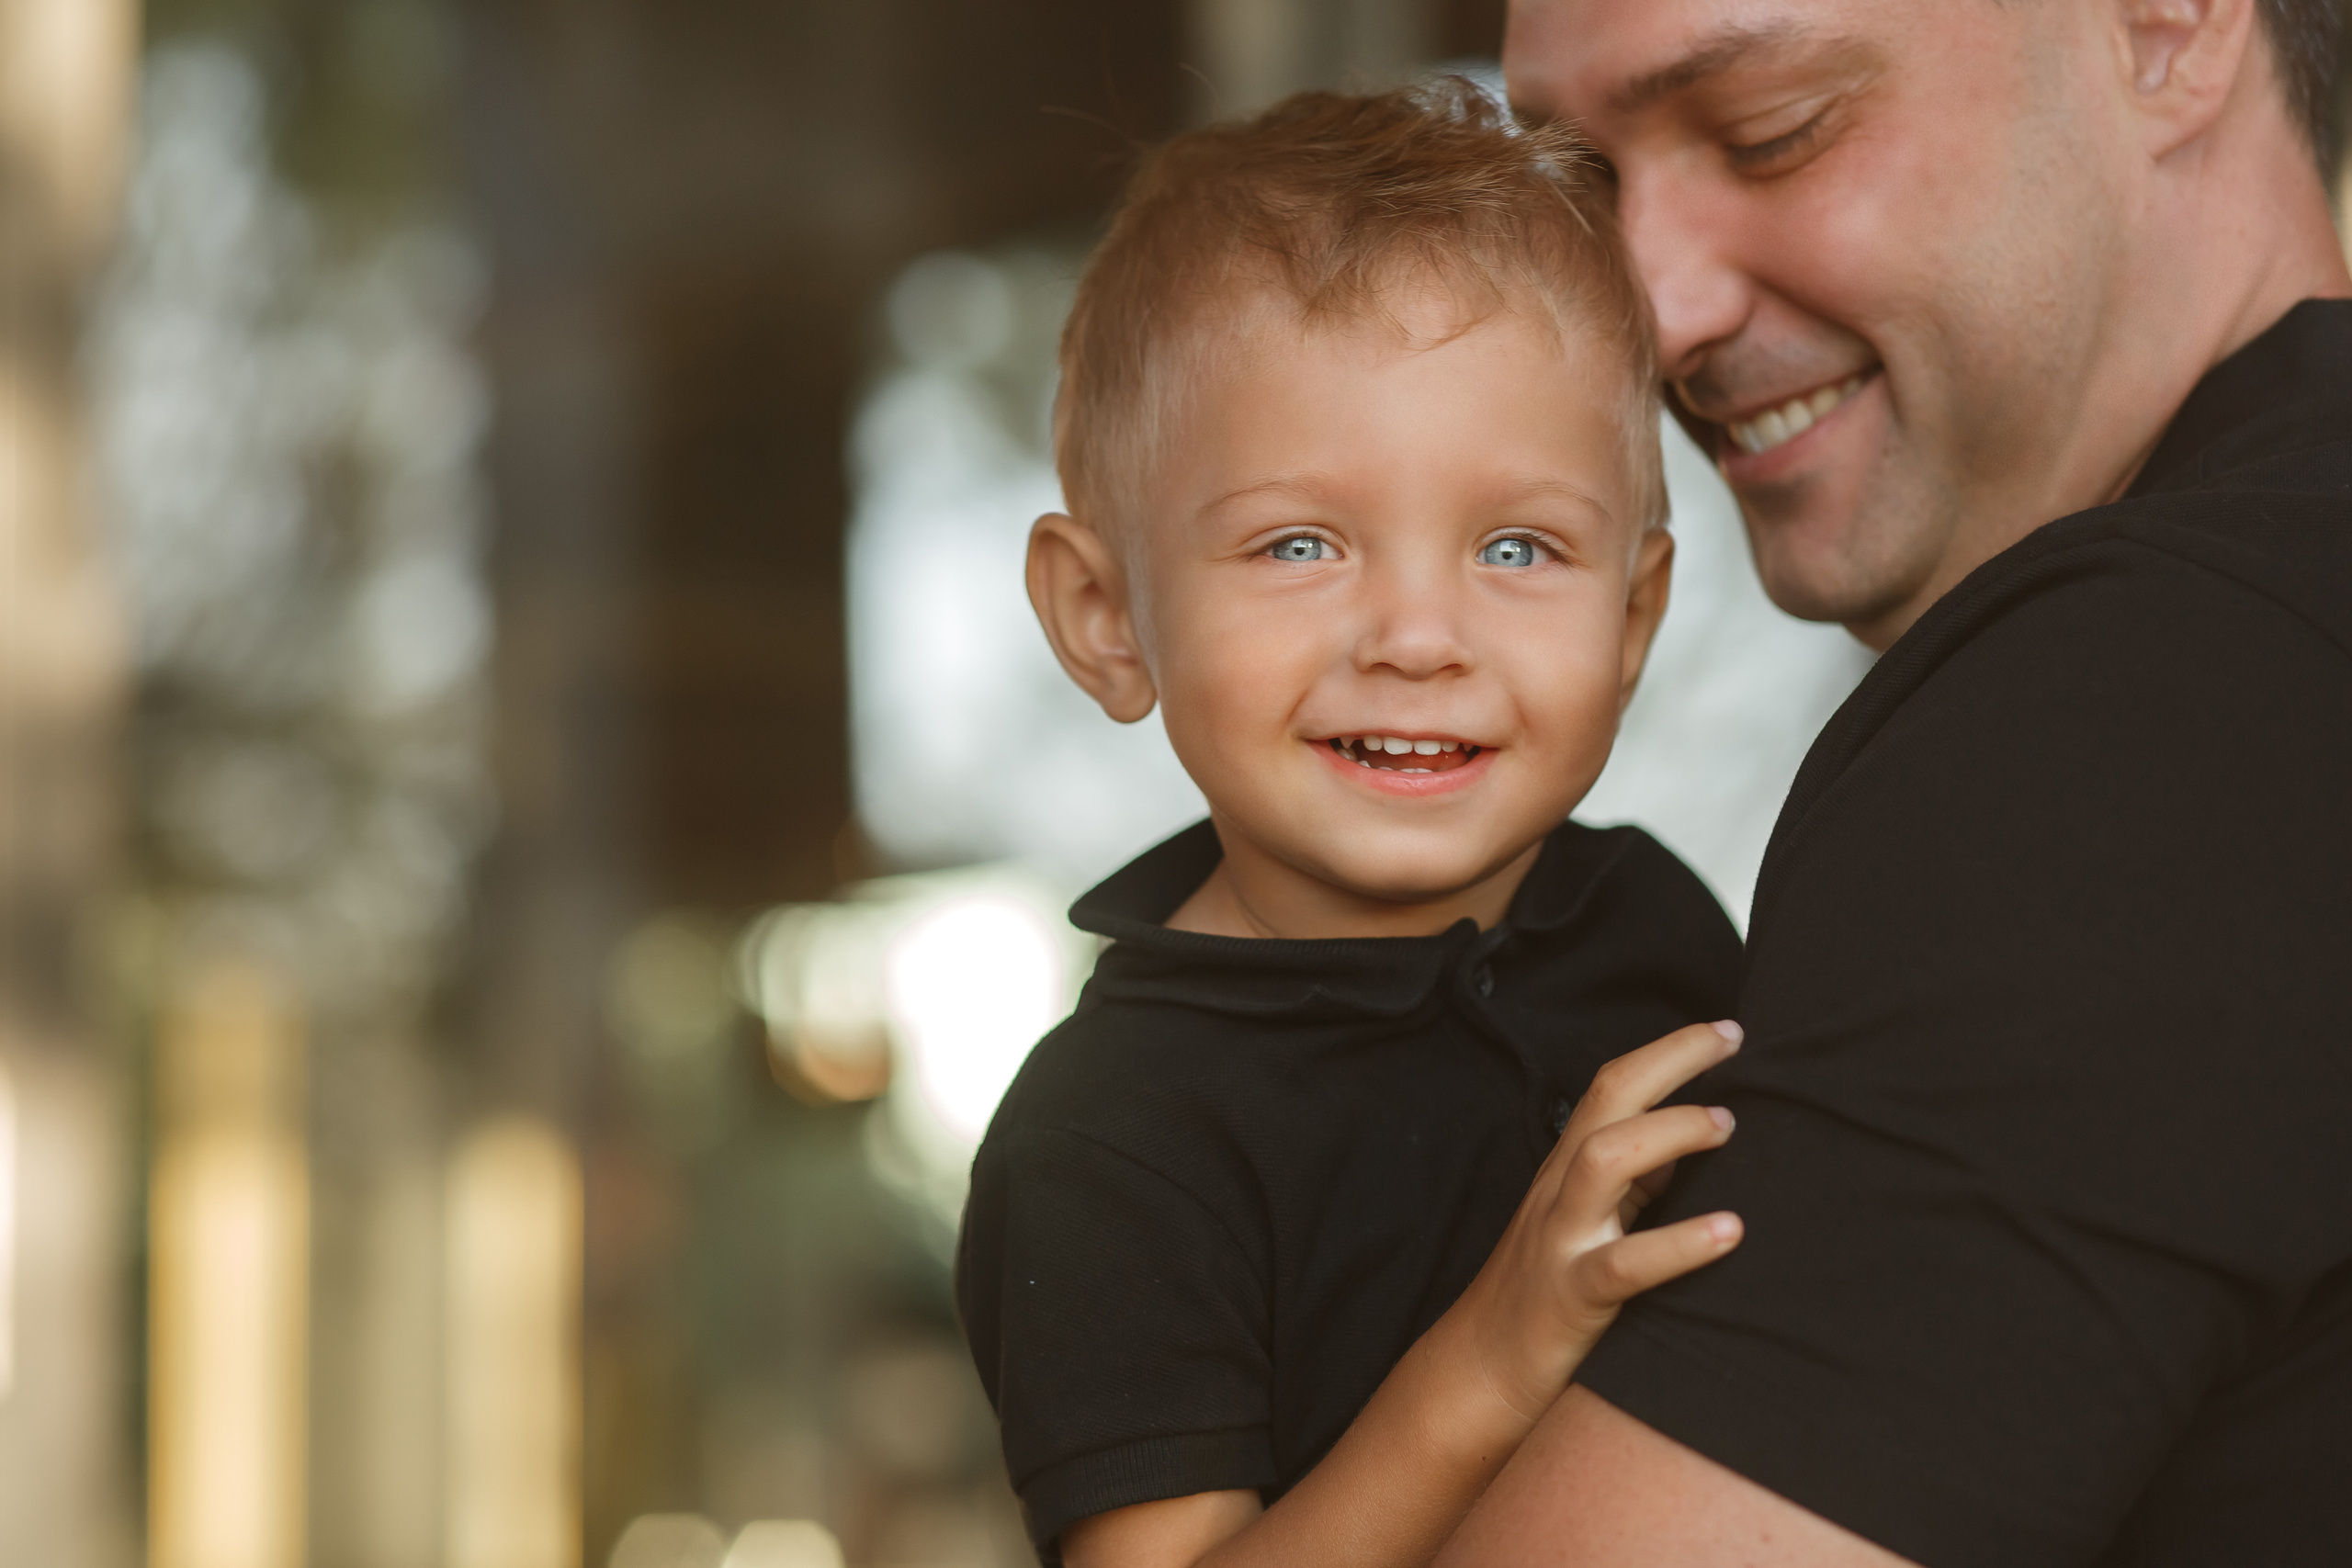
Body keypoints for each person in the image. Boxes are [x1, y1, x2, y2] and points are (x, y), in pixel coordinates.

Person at [1433, 0, 2352, 1563]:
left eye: (1772, 129)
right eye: (1583, 183)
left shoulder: (2146, 704)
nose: (1651, 314)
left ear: (2167, 30)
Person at [956, 85, 1756, 1568]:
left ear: (1633, 617)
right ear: (1106, 615)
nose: (1415, 635)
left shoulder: (1656, 930)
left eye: (1518, 546)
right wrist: (1494, 1359)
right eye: (1300, 544)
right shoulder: (1111, 1144)